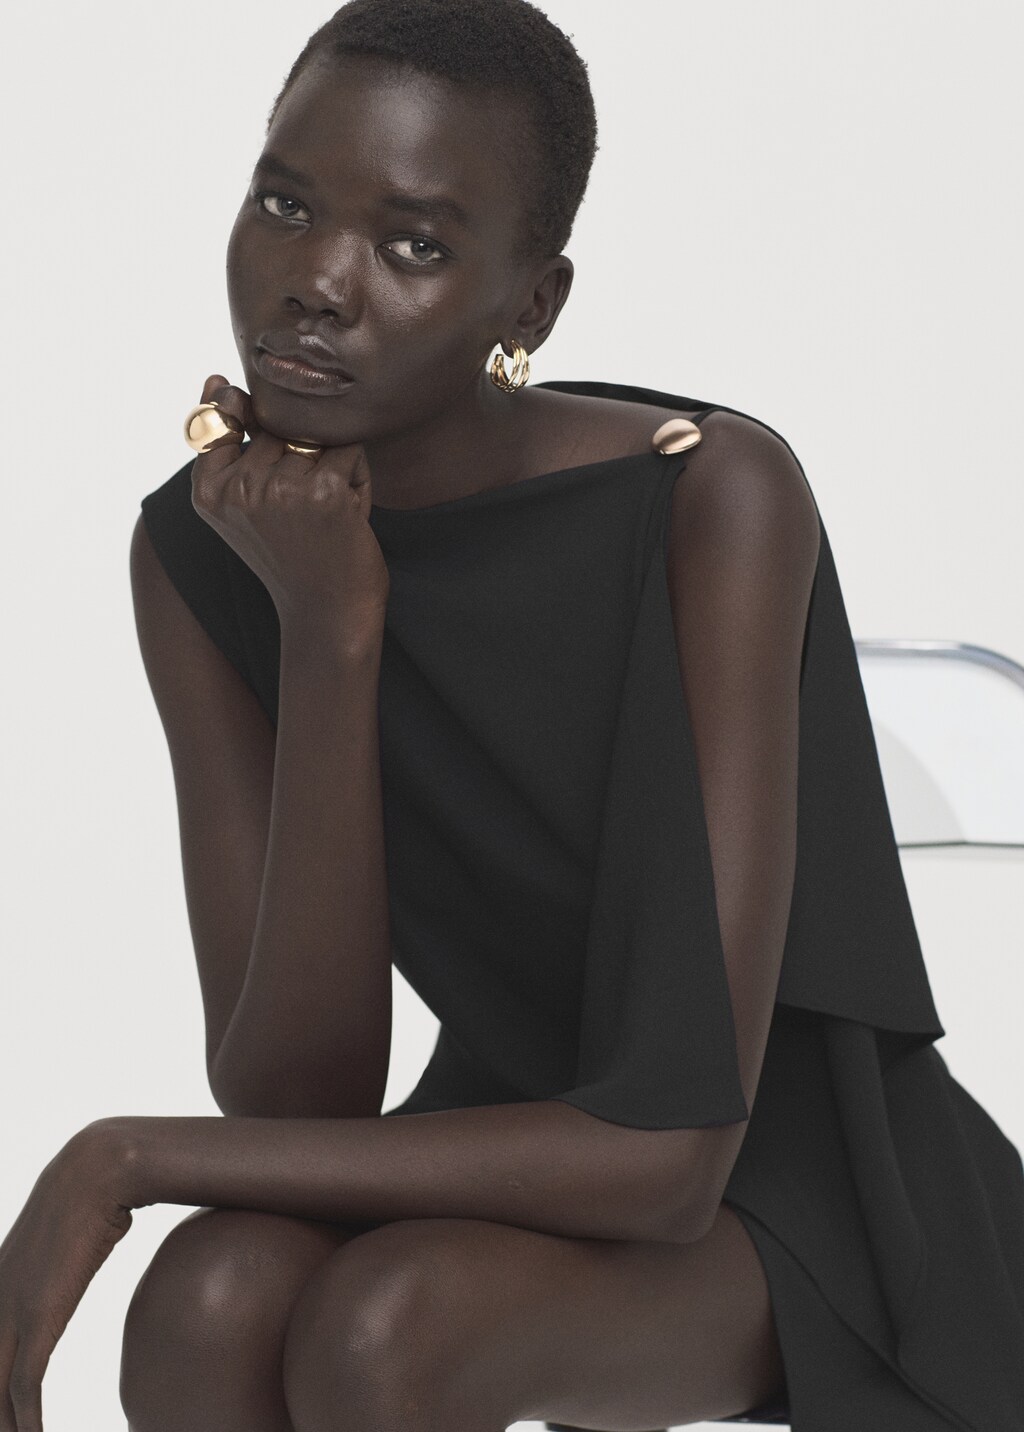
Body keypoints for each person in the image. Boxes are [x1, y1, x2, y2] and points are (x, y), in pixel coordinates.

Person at [2, 1, 1022, 1428]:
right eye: (285, 204)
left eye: (412, 246)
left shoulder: (709, 498)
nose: (318, 283)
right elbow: (299, 1093)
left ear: (530, 309)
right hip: (508, 1144)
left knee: (386, 1329)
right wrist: (329, 632)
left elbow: (668, 1153)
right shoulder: (202, 550)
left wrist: (120, 1156)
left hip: (816, 1205)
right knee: (209, 1297)